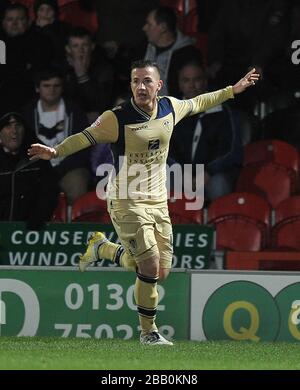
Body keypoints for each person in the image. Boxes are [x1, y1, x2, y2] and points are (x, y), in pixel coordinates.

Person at [28, 60, 259, 345]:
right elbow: (85, 136)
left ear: (158, 85)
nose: (140, 86)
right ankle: (148, 332)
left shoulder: (170, 108)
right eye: (136, 81)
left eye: (147, 81)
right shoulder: (117, 118)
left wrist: (233, 90)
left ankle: (103, 248)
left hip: (157, 202)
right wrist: (56, 150)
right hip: (126, 201)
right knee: (148, 266)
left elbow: (199, 101)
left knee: (159, 272)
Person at [169, 61, 243, 203]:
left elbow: (231, 151)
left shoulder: (222, 111)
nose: (191, 85)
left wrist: (207, 172)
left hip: (214, 174)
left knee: (218, 185)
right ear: (179, 84)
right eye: (186, 80)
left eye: (196, 79)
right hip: (181, 173)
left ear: (205, 81)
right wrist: (182, 173)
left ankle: (218, 225)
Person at [21, 67, 91, 205]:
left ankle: (72, 226)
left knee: (77, 186)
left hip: (70, 168)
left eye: (56, 86)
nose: (51, 90)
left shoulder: (75, 111)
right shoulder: (27, 112)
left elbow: (83, 146)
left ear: (62, 88)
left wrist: (59, 170)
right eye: (46, 86)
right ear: (37, 88)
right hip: (37, 168)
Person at [0, 112, 58, 229]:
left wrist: (39, 216)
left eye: (18, 125)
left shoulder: (38, 157)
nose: (14, 131)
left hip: (30, 230)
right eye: (8, 126)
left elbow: (49, 191)